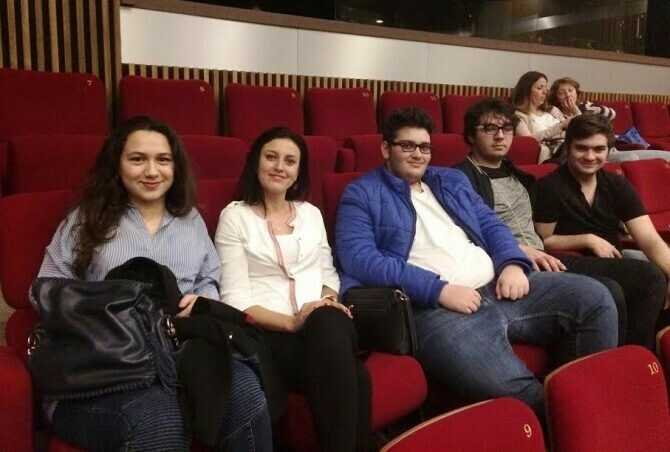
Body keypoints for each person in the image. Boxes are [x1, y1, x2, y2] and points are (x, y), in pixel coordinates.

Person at [335, 107, 618, 418]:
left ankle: (588, 408)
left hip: (497, 285)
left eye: (425, 147)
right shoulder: (362, 193)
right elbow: (360, 259)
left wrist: (511, 263)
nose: (418, 154)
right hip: (434, 308)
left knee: (595, 299)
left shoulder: (450, 180)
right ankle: (570, 423)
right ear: (385, 148)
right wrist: (438, 290)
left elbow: (492, 225)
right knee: (513, 390)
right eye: (407, 145)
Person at [36, 116, 272, 451]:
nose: (151, 171)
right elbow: (47, 289)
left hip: (181, 347)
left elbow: (208, 277)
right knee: (160, 421)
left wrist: (201, 301)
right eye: (137, 159)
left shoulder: (190, 219)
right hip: (107, 360)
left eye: (163, 160)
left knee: (245, 394)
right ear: (116, 165)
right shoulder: (87, 218)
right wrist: (102, 311)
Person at [454, 97, 666, 349]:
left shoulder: (519, 176)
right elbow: (470, 235)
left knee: (652, 277)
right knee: (613, 287)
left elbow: (648, 237)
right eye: (490, 128)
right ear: (470, 135)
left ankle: (642, 357)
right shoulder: (457, 180)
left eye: (507, 128)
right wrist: (517, 251)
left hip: (542, 257)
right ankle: (623, 360)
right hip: (513, 261)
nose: (500, 136)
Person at [215, 127, 370, 452]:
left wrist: (327, 301)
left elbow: (328, 273)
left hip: (325, 324)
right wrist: (293, 321)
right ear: (256, 162)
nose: (279, 167)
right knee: (356, 375)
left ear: (298, 171)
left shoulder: (310, 214)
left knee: (327, 321)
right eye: (271, 157)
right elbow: (235, 299)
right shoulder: (235, 217)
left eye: (289, 161)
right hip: (270, 332)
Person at [533, 113, 670, 330]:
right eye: (582, 148)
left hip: (612, 261)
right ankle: (636, 347)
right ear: (568, 147)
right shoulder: (549, 187)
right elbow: (543, 241)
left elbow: (648, 238)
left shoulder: (617, 185)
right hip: (567, 263)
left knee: (662, 272)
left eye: (598, 149)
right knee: (649, 277)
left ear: (608, 151)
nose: (590, 156)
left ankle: (654, 344)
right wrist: (587, 239)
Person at [549, 76, 670, 163]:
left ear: (576, 93)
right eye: (562, 93)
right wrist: (576, 112)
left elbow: (612, 114)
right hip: (593, 152)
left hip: (610, 147)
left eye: (570, 90)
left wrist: (592, 110)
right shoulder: (555, 113)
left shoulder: (586, 106)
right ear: (556, 97)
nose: (568, 95)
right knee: (630, 158)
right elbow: (583, 131)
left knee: (666, 156)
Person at [512, 71, 571, 163]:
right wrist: (560, 127)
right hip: (553, 155)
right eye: (540, 88)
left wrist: (574, 111)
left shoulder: (553, 110)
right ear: (526, 91)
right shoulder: (519, 115)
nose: (545, 92)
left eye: (546, 88)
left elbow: (571, 132)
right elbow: (528, 141)